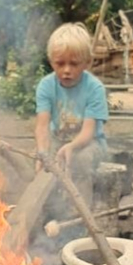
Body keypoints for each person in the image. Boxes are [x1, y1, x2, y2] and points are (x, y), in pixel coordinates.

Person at [34, 23, 109, 245]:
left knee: (79, 160)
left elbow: (88, 131)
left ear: (87, 63)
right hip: (59, 139)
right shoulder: (46, 86)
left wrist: (72, 147)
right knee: (43, 162)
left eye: (74, 64)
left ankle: (78, 221)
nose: (66, 70)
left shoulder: (94, 88)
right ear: (51, 62)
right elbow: (42, 125)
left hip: (88, 144)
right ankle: (47, 215)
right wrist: (42, 152)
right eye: (60, 64)